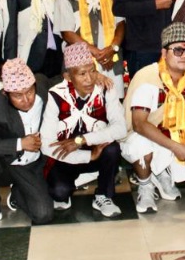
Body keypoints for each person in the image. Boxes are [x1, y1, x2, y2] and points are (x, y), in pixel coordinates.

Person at [121, 23, 185, 214]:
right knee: (140, 147)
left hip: (173, 135)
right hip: (138, 135)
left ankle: (162, 173)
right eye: (178, 50)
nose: (184, 56)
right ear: (164, 53)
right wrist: (176, 148)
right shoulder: (147, 77)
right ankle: (145, 185)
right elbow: (139, 124)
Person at [41, 42, 126, 217]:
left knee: (112, 149)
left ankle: (104, 195)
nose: (89, 79)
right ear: (68, 77)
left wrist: (83, 140)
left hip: (95, 149)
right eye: (82, 74)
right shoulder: (56, 95)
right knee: (59, 193)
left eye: (93, 71)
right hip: (66, 155)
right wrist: (87, 156)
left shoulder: (105, 88)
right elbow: (46, 144)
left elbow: (120, 129)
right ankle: (78, 181)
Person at [0, 59, 55, 230]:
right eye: (17, 96)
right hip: (6, 164)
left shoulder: (42, 86)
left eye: (29, 92)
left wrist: (97, 77)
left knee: (43, 214)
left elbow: (65, 78)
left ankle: (18, 193)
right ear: (5, 93)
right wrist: (20, 144)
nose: (26, 100)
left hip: (34, 165)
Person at [55, 0, 126, 98]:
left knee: (114, 103)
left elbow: (120, 23)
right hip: (81, 65)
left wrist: (112, 48)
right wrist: (98, 54)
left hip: (111, 60)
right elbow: (67, 33)